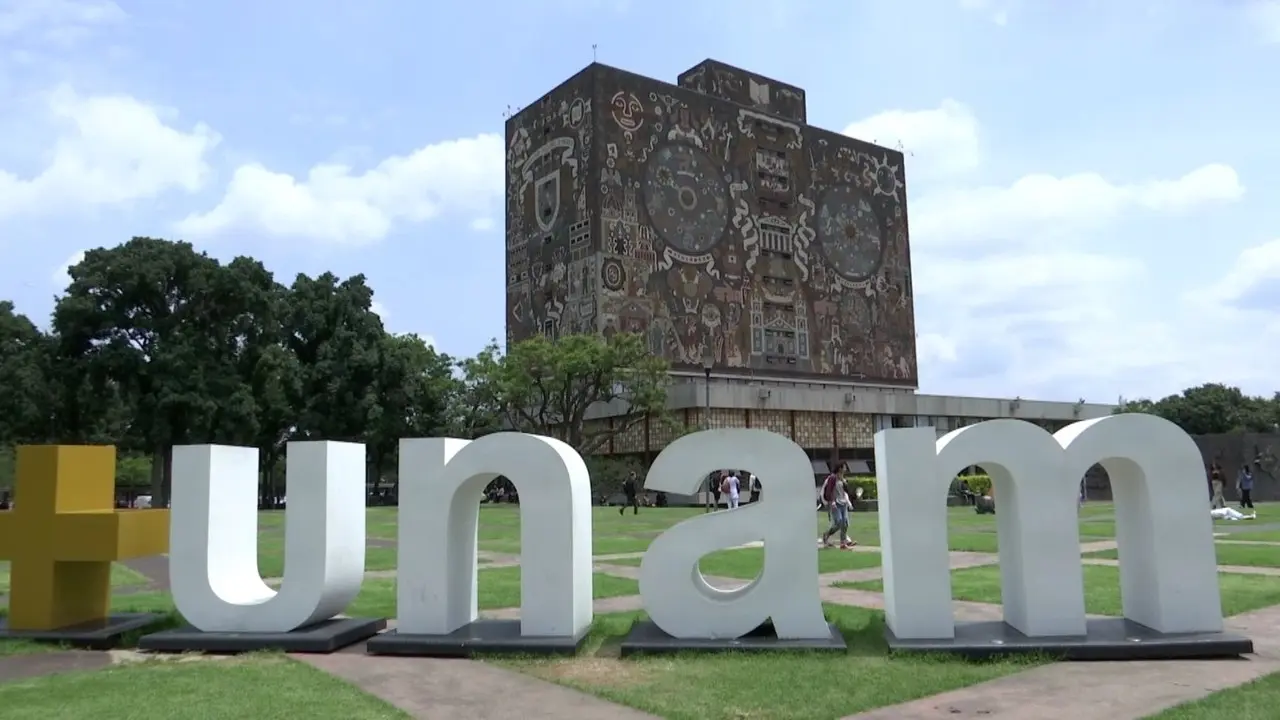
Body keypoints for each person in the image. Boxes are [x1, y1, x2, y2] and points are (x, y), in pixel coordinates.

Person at [819, 470, 842, 547]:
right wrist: (825, 501)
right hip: (830, 502)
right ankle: (826, 537)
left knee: (837, 522)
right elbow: (824, 491)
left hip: (835, 502)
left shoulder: (837, 479)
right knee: (834, 521)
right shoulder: (831, 478)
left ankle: (827, 537)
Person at [831, 477, 855, 549]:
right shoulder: (836, 487)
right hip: (837, 506)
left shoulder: (845, 494)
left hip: (843, 506)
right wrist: (833, 502)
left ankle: (844, 542)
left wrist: (850, 505)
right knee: (840, 522)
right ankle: (828, 534)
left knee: (845, 524)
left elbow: (847, 499)